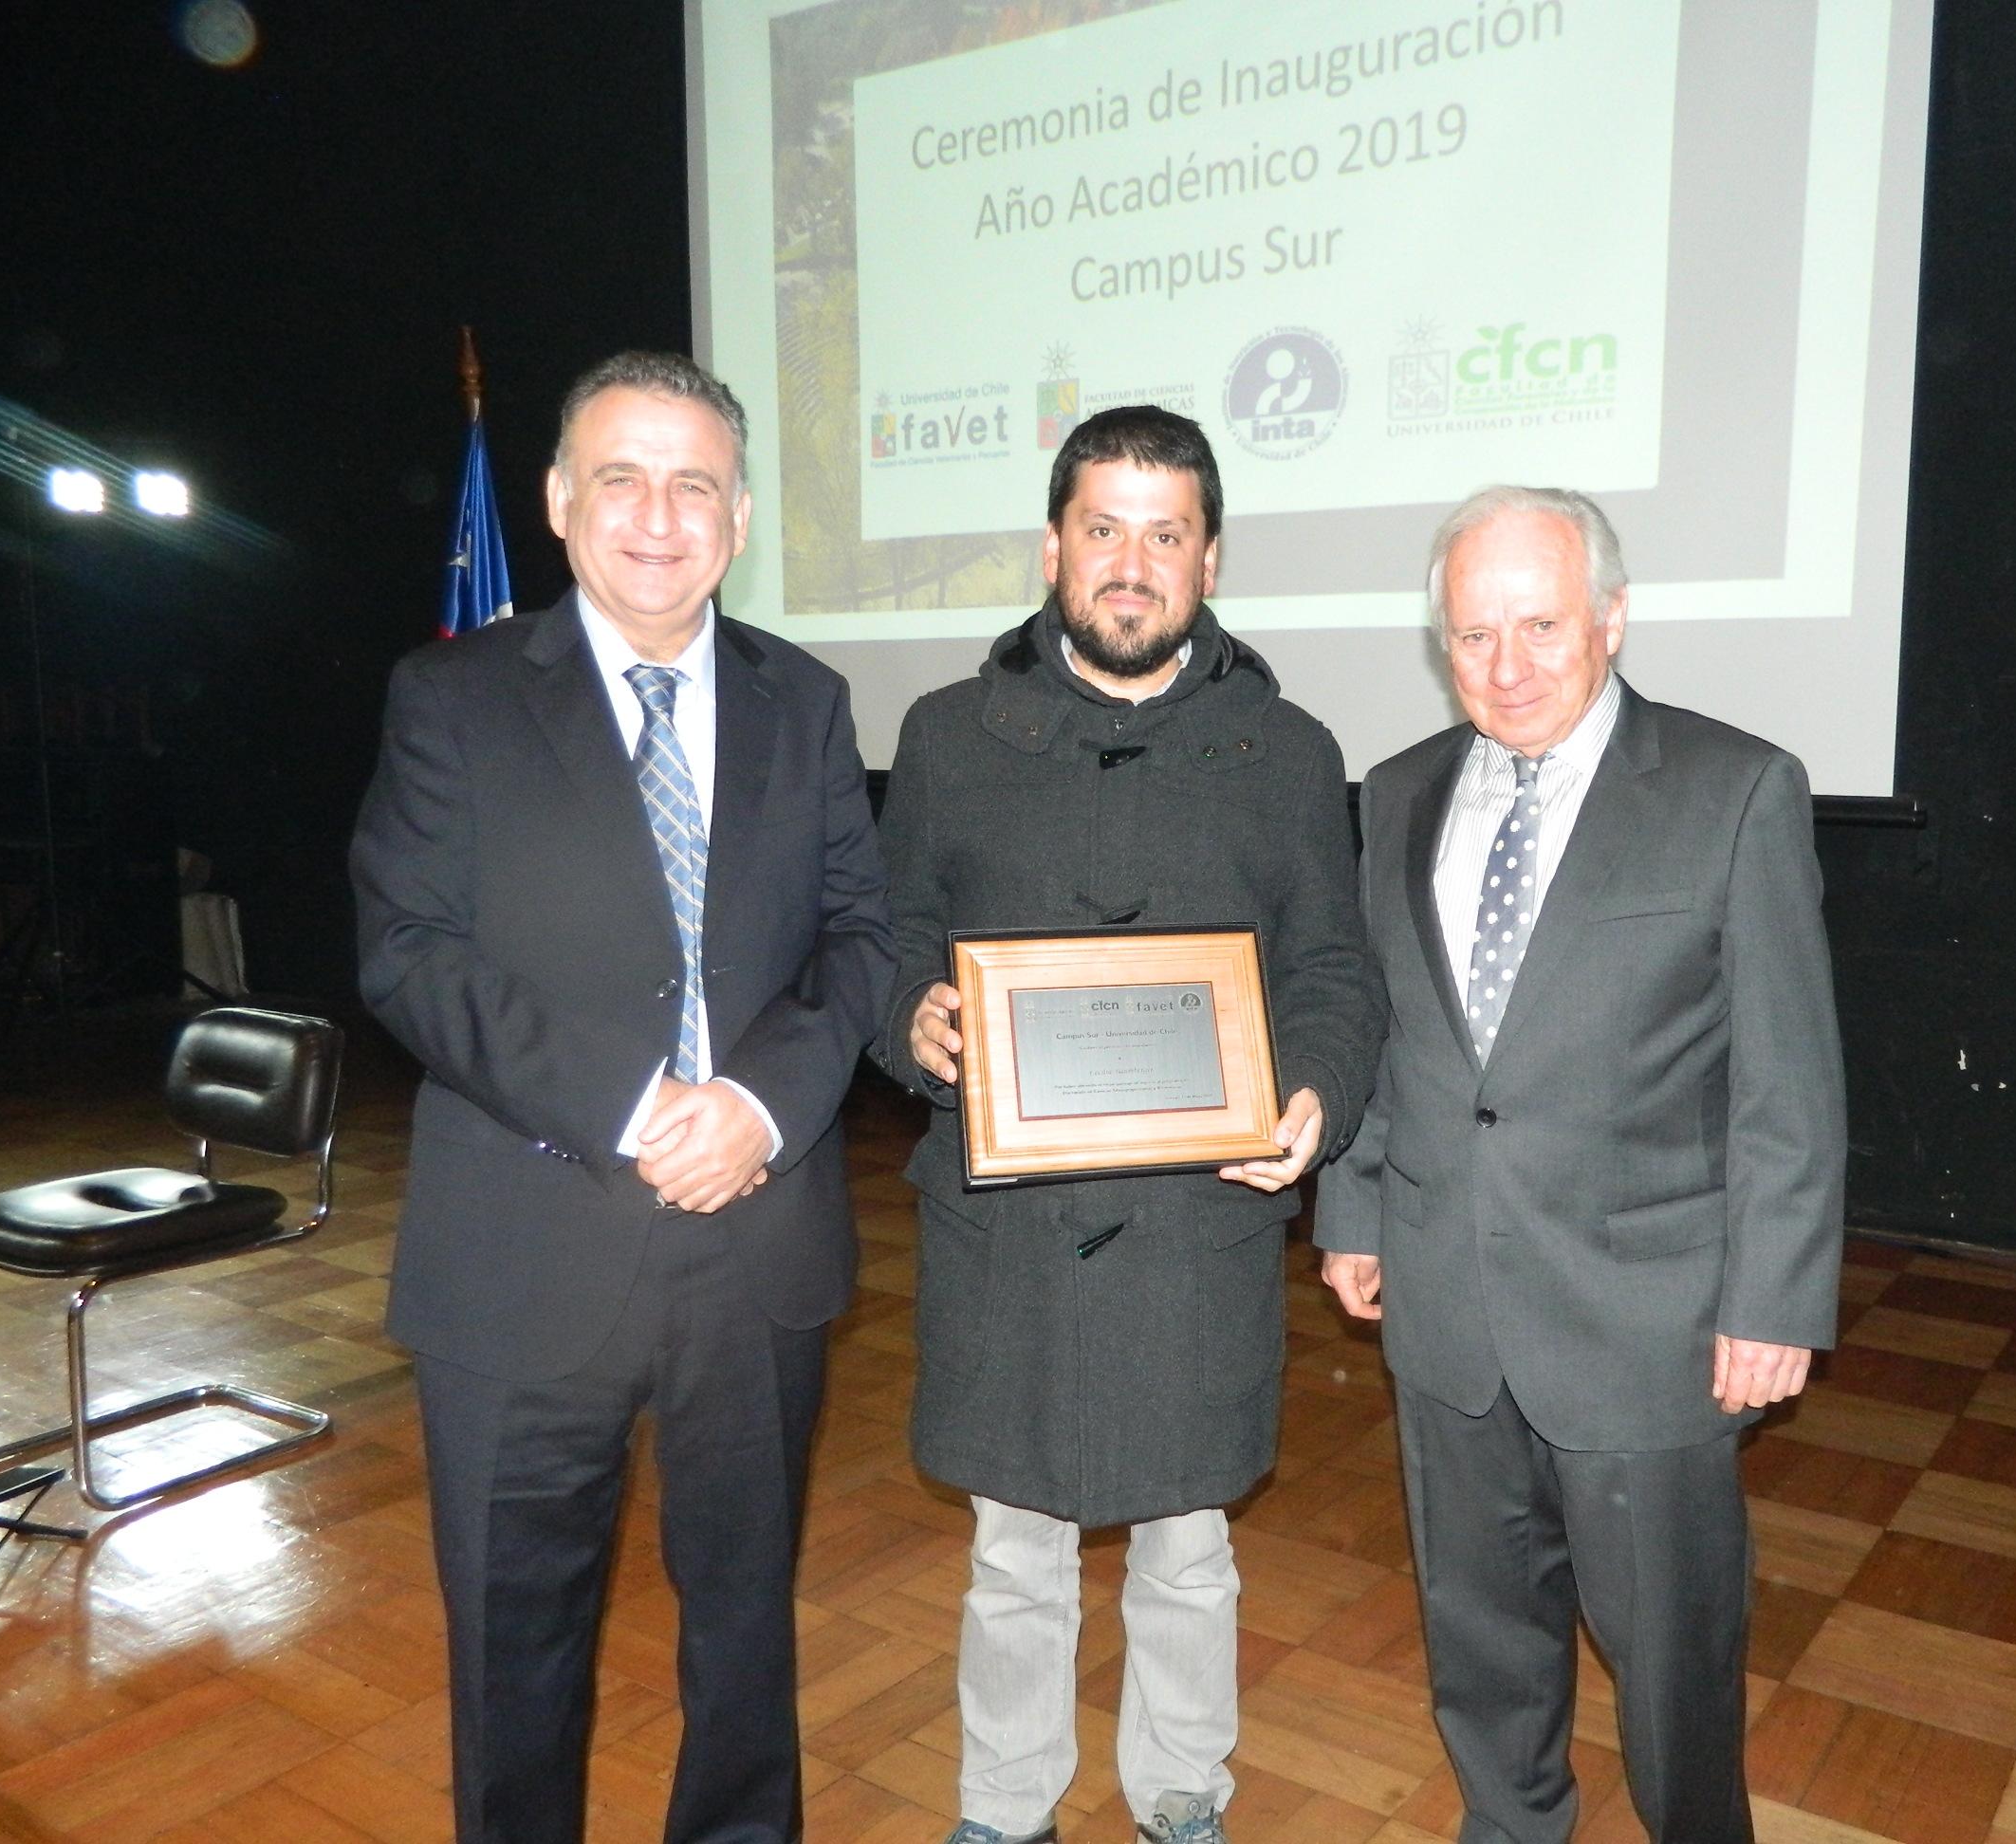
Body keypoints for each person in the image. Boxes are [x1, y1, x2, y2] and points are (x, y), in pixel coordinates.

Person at [350, 350, 895, 1843]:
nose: (659, 516)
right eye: (622, 477)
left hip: (755, 1237)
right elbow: (404, 953)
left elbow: (864, 938)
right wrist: (638, 1102)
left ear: (737, 518)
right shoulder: (452, 696)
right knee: (511, 1652)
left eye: (695, 484)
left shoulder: (808, 698)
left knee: (744, 1636)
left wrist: (763, 1108)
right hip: (526, 1243)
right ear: (557, 501)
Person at [872, 405, 1384, 1844]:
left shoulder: (1287, 749)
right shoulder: (945, 736)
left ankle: (1179, 1796)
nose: (1131, 563)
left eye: (1166, 536)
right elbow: (888, 938)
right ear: (1053, 546)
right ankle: (1004, 1806)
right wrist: (910, 1020)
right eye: (1104, 529)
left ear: (1209, 559)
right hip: (1006, 1224)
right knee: (1014, 1549)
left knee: (1188, 1546)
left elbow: (1335, 973)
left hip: (1196, 1223)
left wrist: (1319, 1097)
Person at [1313, 486, 1846, 1843]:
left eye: (1540, 624)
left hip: (1646, 1321)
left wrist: (1774, 1300)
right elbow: (1394, 1029)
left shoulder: (1736, 791)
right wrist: (1356, 1207)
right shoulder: (1400, 792)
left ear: (1610, 618)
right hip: (1444, 1302)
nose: (1507, 666)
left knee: (1671, 1660)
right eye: (1473, 634)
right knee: (1480, 1641)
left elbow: (1790, 1078)